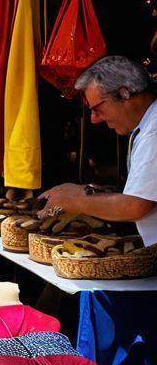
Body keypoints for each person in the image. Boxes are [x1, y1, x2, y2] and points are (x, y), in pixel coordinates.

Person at [41, 56, 157, 243]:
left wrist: (76, 201)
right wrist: (92, 193)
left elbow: (136, 205)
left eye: (97, 108)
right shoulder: (147, 125)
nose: (94, 119)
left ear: (124, 94)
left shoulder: (153, 130)